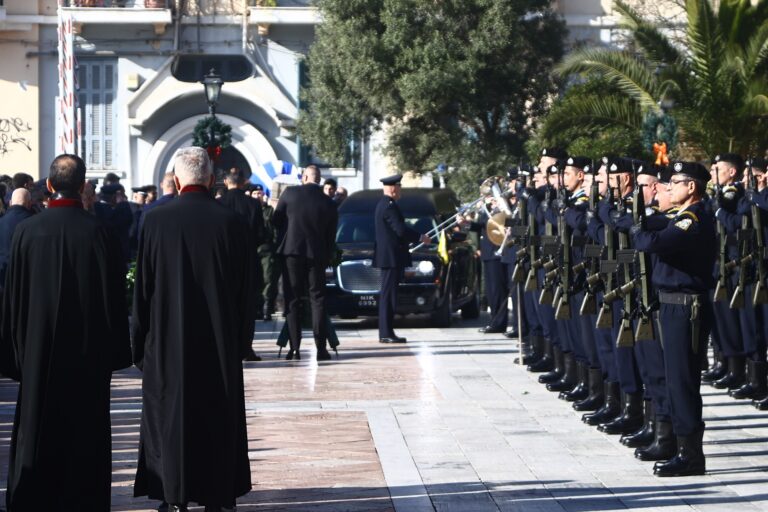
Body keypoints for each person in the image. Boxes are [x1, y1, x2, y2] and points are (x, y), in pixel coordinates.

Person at [0, 154, 131, 510]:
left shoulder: (27, 231)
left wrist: (13, 354)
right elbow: (114, 300)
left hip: (37, 353)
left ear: (51, 185)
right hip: (88, 356)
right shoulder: (100, 232)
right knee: (84, 435)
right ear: (83, 185)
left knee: (37, 428)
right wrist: (117, 352)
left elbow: (13, 300)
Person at [132, 146, 253, 512]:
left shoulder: (154, 220)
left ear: (178, 178)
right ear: (212, 179)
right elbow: (246, 293)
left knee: (171, 419)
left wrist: (140, 345)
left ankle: (174, 494)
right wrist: (241, 342)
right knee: (216, 417)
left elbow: (144, 290)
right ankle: (217, 492)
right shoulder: (232, 223)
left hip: (168, 340)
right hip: (219, 340)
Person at [632, 161, 715, 477]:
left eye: (674, 183)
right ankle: (683, 450)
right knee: (675, 379)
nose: (667, 188)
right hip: (672, 306)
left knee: (683, 382)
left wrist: (639, 228)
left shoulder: (692, 220)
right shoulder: (678, 218)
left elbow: (654, 243)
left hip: (686, 308)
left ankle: (691, 456)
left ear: (691, 186)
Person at [273, 164, 338, 360]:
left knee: (292, 299)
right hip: (317, 254)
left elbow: (276, 220)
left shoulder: (290, 193)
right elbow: (331, 234)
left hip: (292, 251)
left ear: (304, 177)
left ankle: (294, 347)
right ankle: (320, 348)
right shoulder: (328, 202)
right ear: (319, 179)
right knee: (317, 300)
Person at [373, 174, 432, 343]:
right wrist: (420, 237)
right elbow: (400, 230)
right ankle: (386, 333)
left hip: (390, 257)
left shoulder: (384, 204)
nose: (400, 191)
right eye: (399, 187)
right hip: (391, 257)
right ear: (393, 188)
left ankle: (387, 331)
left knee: (388, 294)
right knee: (388, 295)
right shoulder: (389, 207)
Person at [253, 183, 279, 321]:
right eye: (255, 194)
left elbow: (275, 229)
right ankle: (257, 308)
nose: (258, 196)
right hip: (254, 250)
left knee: (268, 279)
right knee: (256, 280)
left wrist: (274, 245)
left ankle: (266, 308)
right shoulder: (251, 209)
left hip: (267, 250)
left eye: (260, 193)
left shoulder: (269, 211)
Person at [0, 188, 33, 292]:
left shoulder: (1, 221)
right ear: (29, 203)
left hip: (3, 278)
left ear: (10, 203)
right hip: (26, 279)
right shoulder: (35, 222)